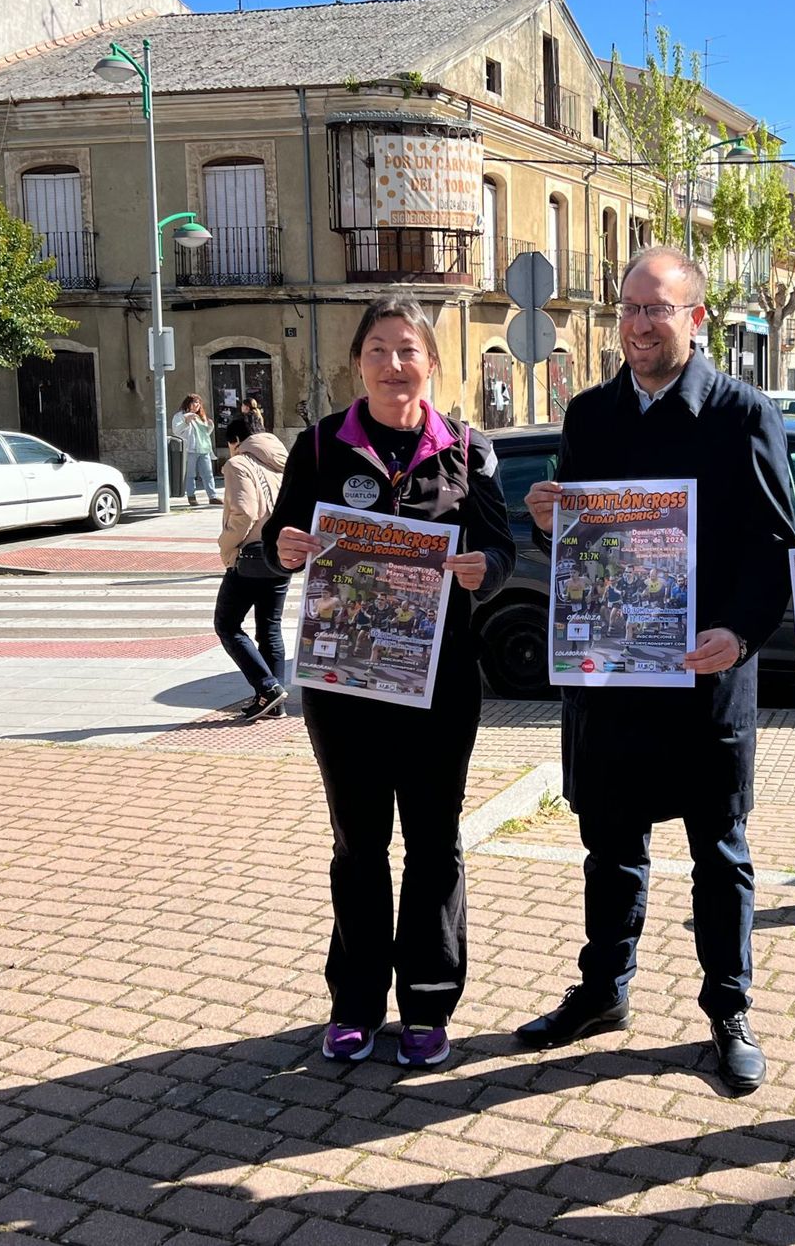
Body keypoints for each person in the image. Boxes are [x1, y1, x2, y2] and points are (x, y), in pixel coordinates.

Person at [520, 246, 795, 1095]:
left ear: (695, 319)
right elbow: (577, 544)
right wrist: (546, 523)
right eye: (630, 308)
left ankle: (729, 1008)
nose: (639, 324)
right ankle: (603, 992)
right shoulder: (592, 412)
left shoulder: (742, 413)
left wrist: (742, 633)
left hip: (707, 678)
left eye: (658, 309)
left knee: (720, 853)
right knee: (609, 848)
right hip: (610, 681)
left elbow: (775, 545)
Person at [261, 295, 515, 1068]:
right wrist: (287, 547)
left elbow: (501, 548)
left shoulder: (469, 450)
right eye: (378, 349)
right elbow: (273, 539)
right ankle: (355, 1004)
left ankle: (429, 1008)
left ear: (432, 363)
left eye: (408, 349)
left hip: (439, 689)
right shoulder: (318, 446)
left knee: (435, 846)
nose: (393, 364)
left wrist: (484, 569)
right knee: (358, 847)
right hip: (346, 689)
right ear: (358, 362)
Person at [214, 416, 291, 720]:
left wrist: (226, 545)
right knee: (270, 627)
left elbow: (245, 513)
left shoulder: (238, 464)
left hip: (250, 556)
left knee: (227, 625)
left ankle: (268, 687)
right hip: (282, 553)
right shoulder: (283, 461)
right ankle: (275, 702)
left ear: (235, 441)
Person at [172, 395, 218, 506]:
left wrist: (210, 426)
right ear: (187, 403)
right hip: (191, 449)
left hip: (204, 448)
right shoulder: (180, 416)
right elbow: (176, 431)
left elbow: (204, 433)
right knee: (190, 474)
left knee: (208, 474)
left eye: (198, 403)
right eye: (193, 403)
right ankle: (191, 496)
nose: (196, 405)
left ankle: (213, 497)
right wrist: (186, 422)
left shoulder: (200, 416)